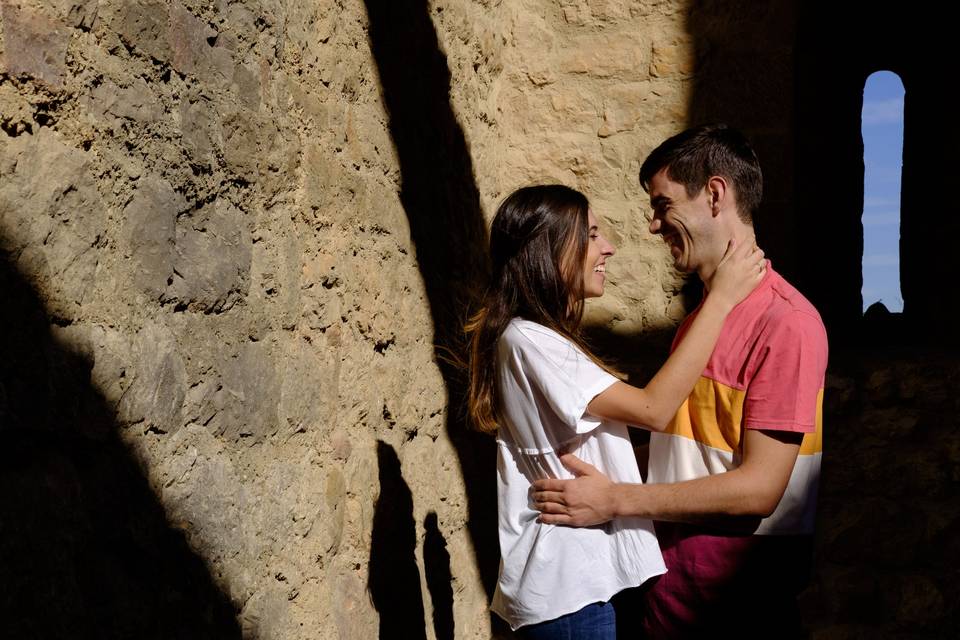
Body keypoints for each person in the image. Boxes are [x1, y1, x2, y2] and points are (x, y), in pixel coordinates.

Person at [532, 124, 829, 638]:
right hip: (668, 602)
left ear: (714, 194)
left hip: (734, 612)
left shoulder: (788, 322)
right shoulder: (702, 320)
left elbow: (760, 490)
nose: (652, 226)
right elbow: (689, 451)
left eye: (663, 204)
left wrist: (618, 498)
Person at [465, 184, 766, 638]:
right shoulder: (530, 340)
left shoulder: (535, 340)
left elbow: (601, 448)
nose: (607, 247)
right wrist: (721, 299)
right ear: (548, 250)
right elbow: (654, 408)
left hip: (583, 584)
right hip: (569, 589)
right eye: (590, 234)